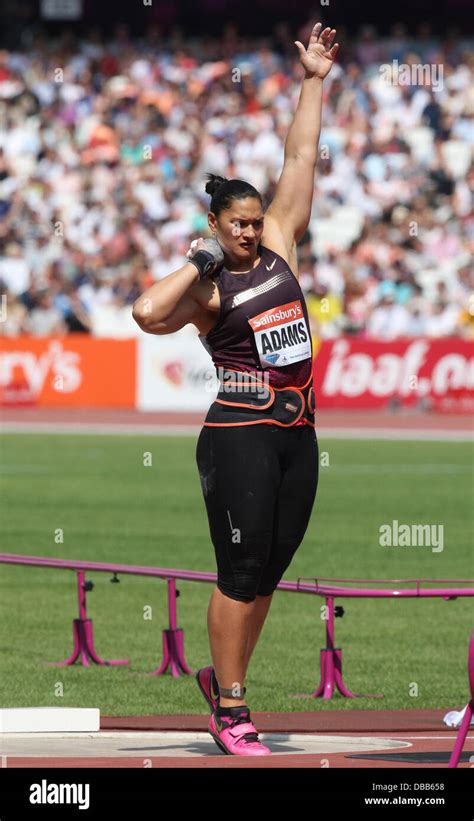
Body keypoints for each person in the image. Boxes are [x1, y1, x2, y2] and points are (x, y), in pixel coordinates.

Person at [132, 22, 339, 756]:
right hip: (239, 434)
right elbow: (147, 313)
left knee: (271, 572)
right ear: (215, 225)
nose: (251, 233)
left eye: (254, 223)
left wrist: (314, 81)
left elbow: (299, 157)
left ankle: (224, 684)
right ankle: (232, 707)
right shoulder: (208, 290)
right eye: (237, 226)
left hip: (299, 434)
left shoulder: (281, 240)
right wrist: (200, 261)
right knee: (239, 570)